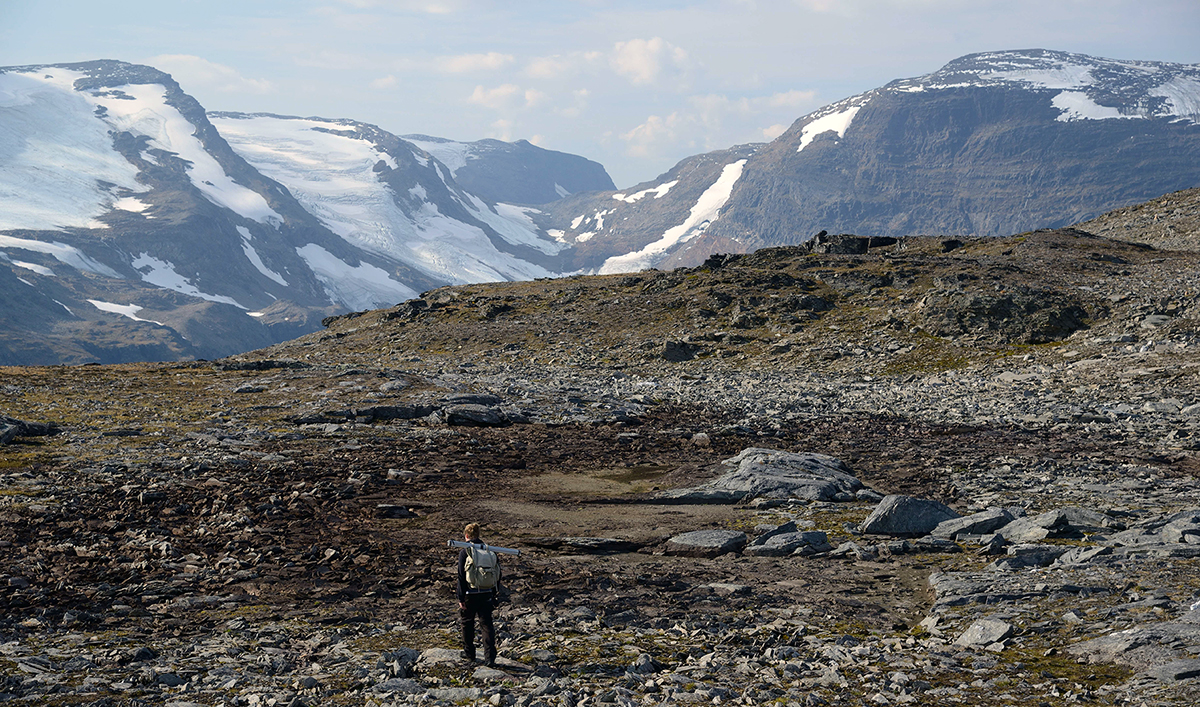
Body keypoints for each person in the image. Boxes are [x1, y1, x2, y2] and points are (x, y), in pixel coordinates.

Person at [456, 522, 499, 666]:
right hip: (487, 592)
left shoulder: (465, 552)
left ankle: (470, 654)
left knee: (467, 623)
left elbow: (461, 576)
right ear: (478, 534)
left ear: (466, 536)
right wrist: (494, 593)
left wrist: (460, 596)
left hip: (470, 593)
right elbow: (497, 573)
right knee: (486, 625)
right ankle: (490, 657)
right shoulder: (489, 551)